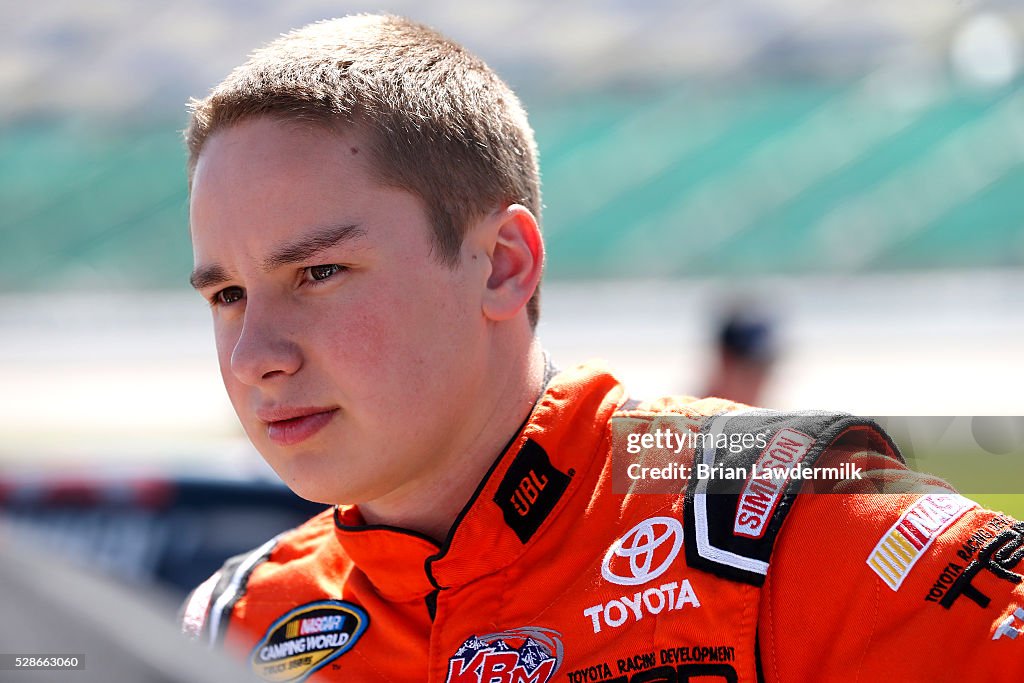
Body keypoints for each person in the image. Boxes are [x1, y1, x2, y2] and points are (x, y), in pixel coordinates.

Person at [180, 14, 1024, 682]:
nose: (256, 353)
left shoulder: (777, 524)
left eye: (319, 271)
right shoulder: (232, 626)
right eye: (226, 295)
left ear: (502, 267)